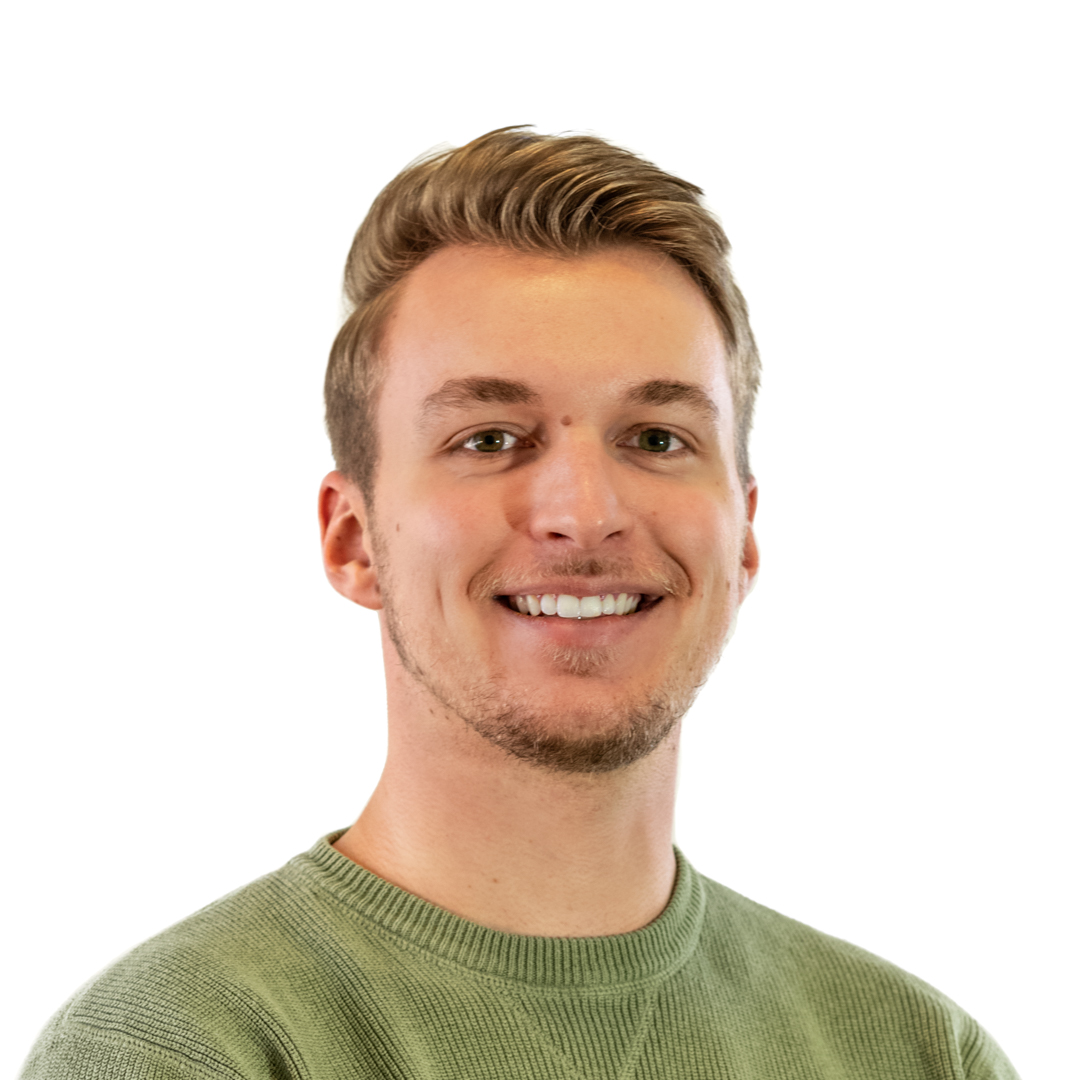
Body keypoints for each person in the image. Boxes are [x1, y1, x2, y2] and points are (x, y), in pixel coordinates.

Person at [20, 126, 1020, 1079]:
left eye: (658, 438)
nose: (585, 514)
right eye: (490, 438)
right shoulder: (183, 1052)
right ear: (353, 540)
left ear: (743, 532)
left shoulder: (920, 1054)